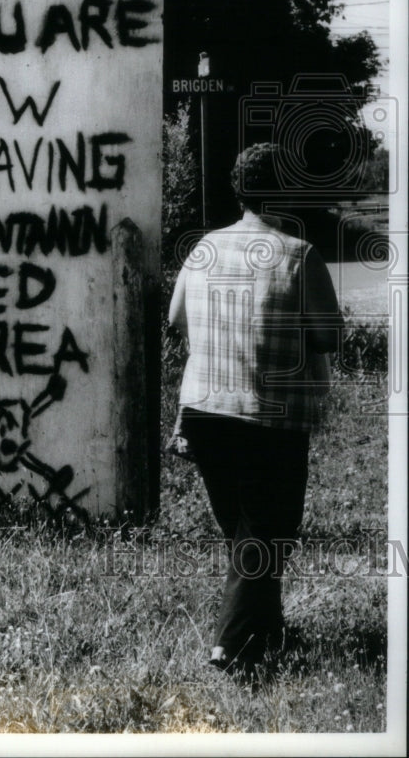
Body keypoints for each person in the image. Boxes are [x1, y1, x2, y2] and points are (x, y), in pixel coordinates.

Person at [168, 142, 343, 677]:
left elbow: (176, 319)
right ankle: (232, 646)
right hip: (269, 417)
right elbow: (329, 336)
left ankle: (269, 630)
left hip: (203, 412)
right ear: (284, 192)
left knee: (246, 530)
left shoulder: (203, 249)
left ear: (238, 191)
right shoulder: (299, 254)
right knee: (267, 531)